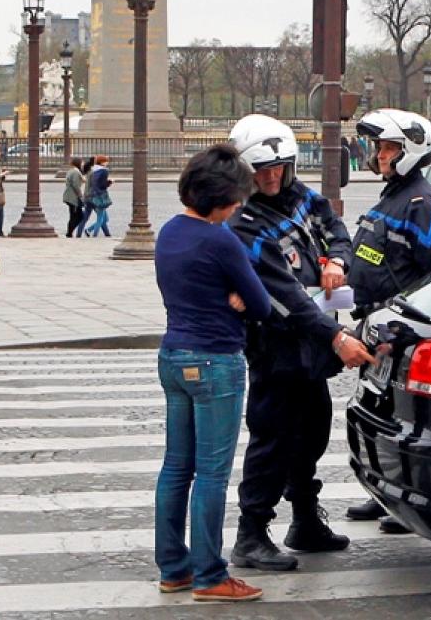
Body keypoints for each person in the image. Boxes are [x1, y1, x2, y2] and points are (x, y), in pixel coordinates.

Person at [227, 114, 375, 572]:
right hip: (277, 346)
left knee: (310, 431)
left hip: (311, 343)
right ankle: (251, 533)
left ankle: (305, 519)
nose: (272, 176)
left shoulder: (303, 198)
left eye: (279, 167)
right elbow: (283, 296)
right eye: (262, 170)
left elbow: (336, 229)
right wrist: (336, 336)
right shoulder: (243, 222)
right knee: (272, 437)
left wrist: (337, 260)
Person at [154, 145, 270, 603]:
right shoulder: (220, 239)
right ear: (221, 198)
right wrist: (237, 298)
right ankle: (210, 575)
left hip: (173, 356)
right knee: (212, 474)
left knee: (175, 467)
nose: (241, 205)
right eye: (237, 197)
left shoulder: (168, 232)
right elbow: (260, 304)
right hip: (215, 360)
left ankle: (173, 567)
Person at [344, 109, 431, 534]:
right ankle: (383, 491)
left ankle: (404, 500)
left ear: (410, 150)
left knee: (398, 418)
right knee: (375, 414)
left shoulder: (422, 201)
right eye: (380, 148)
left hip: (397, 329)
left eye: (388, 147)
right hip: (374, 321)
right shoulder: (393, 195)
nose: (380, 155)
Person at [85, 155, 113, 237]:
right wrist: (110, 182)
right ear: (102, 162)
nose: (107, 162)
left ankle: (106, 234)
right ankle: (93, 233)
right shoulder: (104, 171)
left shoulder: (94, 170)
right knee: (100, 218)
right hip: (101, 195)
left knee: (105, 218)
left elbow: (96, 183)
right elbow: (103, 185)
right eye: (106, 161)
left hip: (94, 195)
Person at [63, 157, 85, 237]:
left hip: (69, 196)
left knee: (74, 215)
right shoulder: (76, 172)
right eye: (82, 163)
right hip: (73, 197)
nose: (83, 164)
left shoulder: (71, 171)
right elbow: (76, 185)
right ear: (78, 163)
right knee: (78, 216)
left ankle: (70, 232)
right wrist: (80, 196)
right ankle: (69, 232)